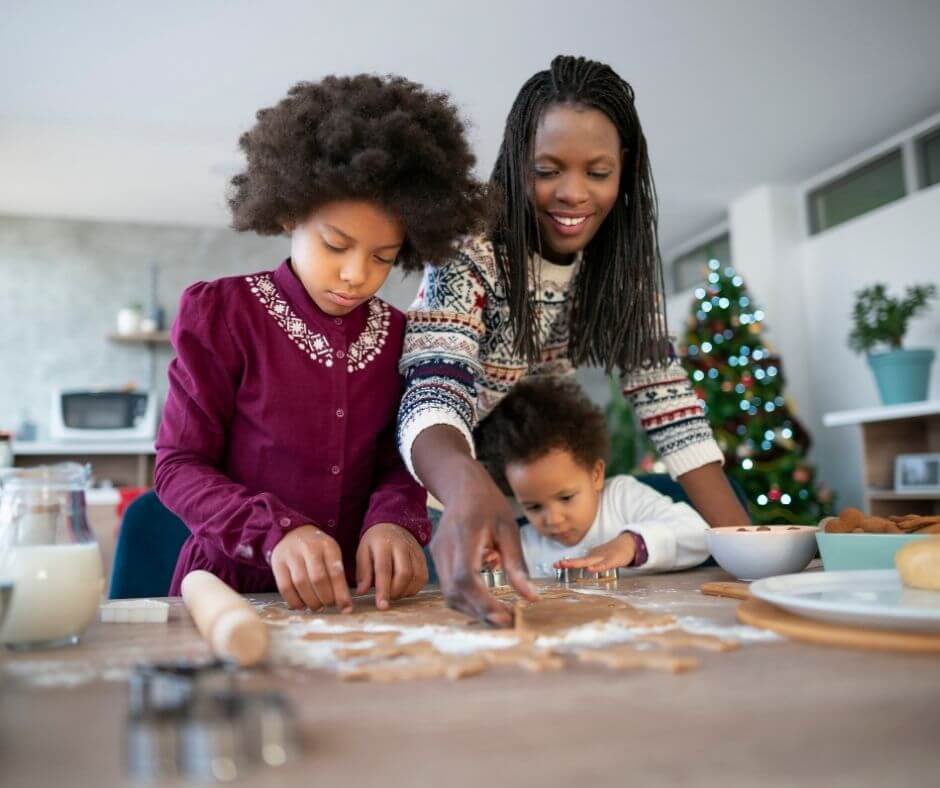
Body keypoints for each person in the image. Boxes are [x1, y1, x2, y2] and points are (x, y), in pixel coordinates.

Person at [397, 55, 748, 626]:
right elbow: (434, 387)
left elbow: (665, 397)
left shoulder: (622, 267)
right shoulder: (473, 249)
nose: (573, 193)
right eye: (548, 169)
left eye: (598, 172)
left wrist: (748, 547)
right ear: (516, 164)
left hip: (527, 493)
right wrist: (466, 488)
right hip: (445, 488)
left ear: (624, 171)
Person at [155, 74, 486, 612]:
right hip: (231, 593)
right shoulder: (222, 313)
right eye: (336, 244)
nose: (356, 274)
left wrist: (394, 522)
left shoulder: (403, 336)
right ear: (290, 212)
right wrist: (275, 532)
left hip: (358, 594)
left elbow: (398, 462)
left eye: (383, 257)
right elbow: (179, 467)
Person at [476, 377, 709, 578]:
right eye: (534, 507)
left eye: (566, 497)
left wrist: (630, 545)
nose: (553, 519)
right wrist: (497, 566)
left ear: (595, 474)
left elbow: (698, 535)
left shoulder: (622, 497)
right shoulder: (524, 544)